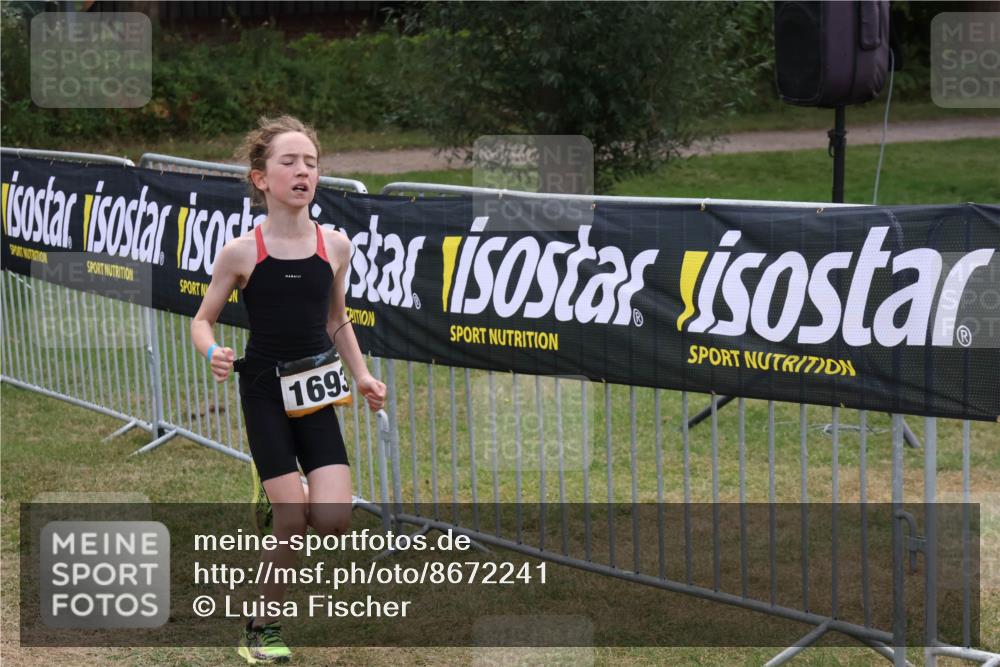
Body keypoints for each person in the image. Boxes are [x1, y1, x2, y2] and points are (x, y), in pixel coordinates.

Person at [190, 115, 386, 664]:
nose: (303, 172)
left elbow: (337, 321)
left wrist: (363, 375)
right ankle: (261, 627)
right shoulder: (241, 253)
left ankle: (275, 493)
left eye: (311, 163)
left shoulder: (336, 245)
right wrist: (214, 352)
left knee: (334, 520)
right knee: (293, 520)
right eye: (289, 162)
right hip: (264, 392)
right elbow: (201, 320)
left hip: (316, 391)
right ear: (261, 179)